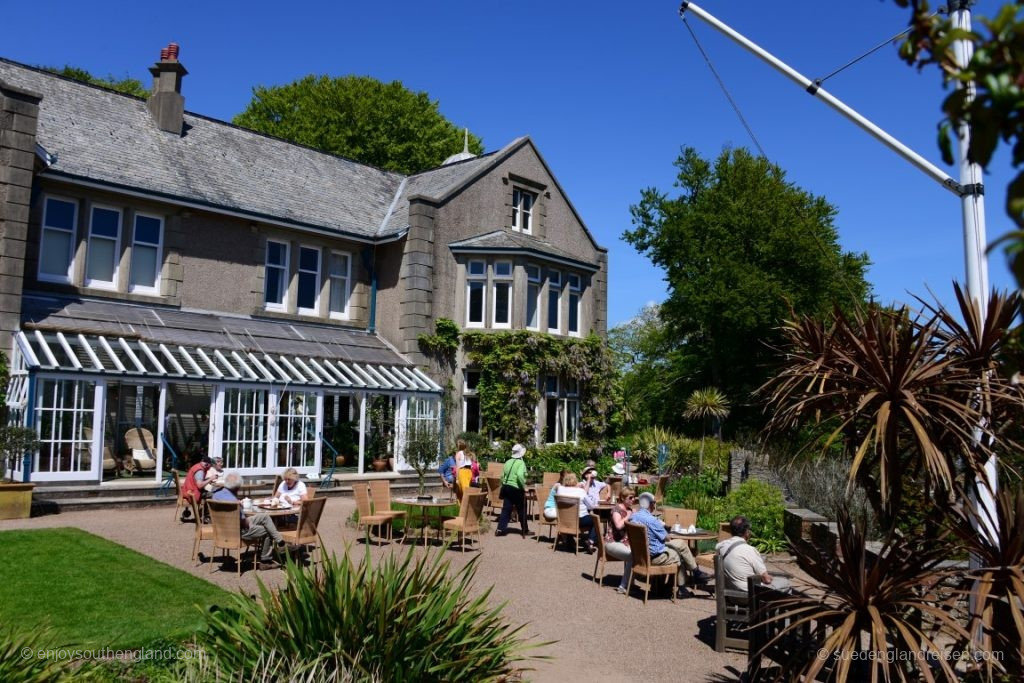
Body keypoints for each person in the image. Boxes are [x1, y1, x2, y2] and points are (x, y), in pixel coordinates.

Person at [630, 492, 711, 594]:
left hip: (641, 555)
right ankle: (682, 587)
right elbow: (667, 538)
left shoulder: (633, 517)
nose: (655, 505)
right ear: (651, 504)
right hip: (655, 556)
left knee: (681, 544)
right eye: (654, 503)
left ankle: (694, 573)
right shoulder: (652, 521)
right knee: (678, 554)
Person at [212, 472, 286, 567]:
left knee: (264, 516)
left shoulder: (216, 495)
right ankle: (265, 561)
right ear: (237, 488)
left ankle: (281, 543)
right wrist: (249, 521)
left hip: (222, 529)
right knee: (268, 530)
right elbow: (245, 524)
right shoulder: (234, 503)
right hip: (238, 531)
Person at [716, 515, 790, 592]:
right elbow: (767, 580)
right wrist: (769, 577)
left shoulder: (721, 546)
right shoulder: (750, 550)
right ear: (747, 532)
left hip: (729, 593)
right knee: (785, 583)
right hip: (748, 597)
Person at [605, 487, 636, 594]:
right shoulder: (616, 509)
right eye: (630, 497)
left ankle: (631, 582)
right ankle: (623, 586)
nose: (633, 500)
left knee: (642, 553)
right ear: (623, 498)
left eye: (634, 497)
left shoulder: (630, 510)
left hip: (625, 543)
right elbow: (618, 526)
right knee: (633, 556)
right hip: (612, 543)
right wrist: (628, 516)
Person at [495, 443, 530, 537]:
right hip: (516, 488)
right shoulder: (521, 463)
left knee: (506, 509)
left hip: (506, 487)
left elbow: (502, 476)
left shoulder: (508, 462)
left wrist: (504, 484)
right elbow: (519, 475)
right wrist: (523, 486)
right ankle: (525, 530)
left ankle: (500, 529)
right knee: (522, 509)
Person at [180, 456, 217, 522]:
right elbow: (199, 485)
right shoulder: (200, 471)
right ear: (207, 464)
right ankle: (206, 516)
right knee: (213, 494)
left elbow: (197, 481)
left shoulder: (197, 466)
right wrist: (211, 479)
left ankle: (203, 514)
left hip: (188, 490)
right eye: (210, 466)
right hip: (193, 494)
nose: (210, 468)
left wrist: (207, 480)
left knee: (209, 492)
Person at [580, 466, 607, 551]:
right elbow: (584, 493)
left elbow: (607, 485)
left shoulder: (597, 483)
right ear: (585, 475)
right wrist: (588, 479)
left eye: (593, 472)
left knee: (610, 515)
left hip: (597, 507)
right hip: (587, 509)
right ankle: (591, 541)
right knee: (596, 519)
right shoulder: (582, 484)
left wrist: (608, 492)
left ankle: (607, 538)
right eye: (589, 472)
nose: (592, 473)